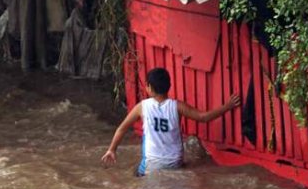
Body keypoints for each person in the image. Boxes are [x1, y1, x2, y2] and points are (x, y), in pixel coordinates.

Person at [101, 67, 241, 176]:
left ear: (149, 87)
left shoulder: (142, 107)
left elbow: (122, 128)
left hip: (153, 164)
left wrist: (112, 150)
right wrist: (227, 106)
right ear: (169, 85)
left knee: (134, 177)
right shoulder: (177, 106)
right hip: (175, 163)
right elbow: (203, 117)